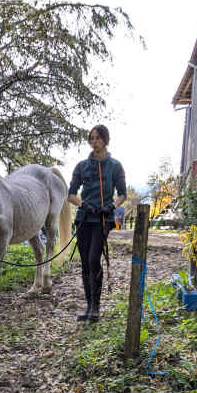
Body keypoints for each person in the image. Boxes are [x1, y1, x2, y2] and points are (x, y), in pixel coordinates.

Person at [67, 125, 126, 322]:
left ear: (105, 140)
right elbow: (71, 195)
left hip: (102, 220)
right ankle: (89, 306)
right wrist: (84, 204)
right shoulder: (81, 166)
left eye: (98, 138)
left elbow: (123, 194)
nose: (94, 141)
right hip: (84, 218)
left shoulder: (115, 166)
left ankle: (96, 307)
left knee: (94, 260)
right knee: (85, 263)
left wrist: (111, 206)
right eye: (92, 138)